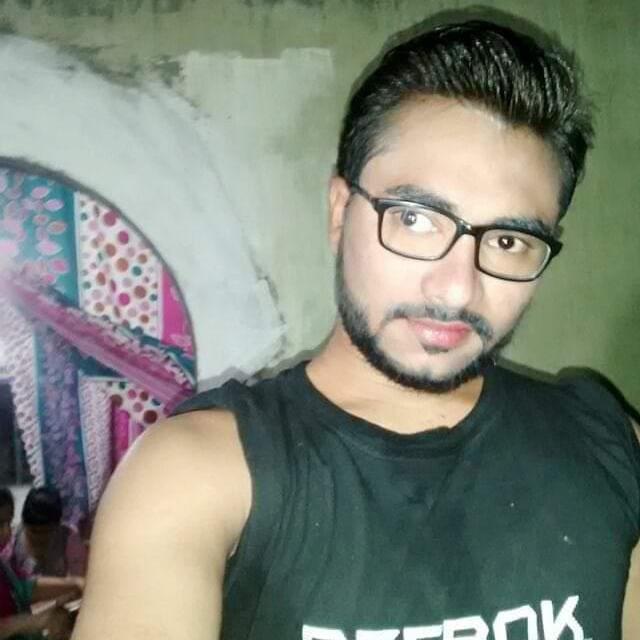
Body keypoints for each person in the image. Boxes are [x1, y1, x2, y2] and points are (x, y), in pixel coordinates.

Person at [72, 15, 640, 640]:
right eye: (416, 218)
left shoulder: (611, 445)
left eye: (508, 240)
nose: (456, 288)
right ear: (341, 213)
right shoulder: (197, 476)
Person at [1, 487, 83, 640]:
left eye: (9, 522)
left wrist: (75, 584)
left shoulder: (4, 568)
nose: (6, 532)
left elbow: (24, 588)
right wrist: (36, 620)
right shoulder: (12, 548)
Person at [13, 488, 86, 579]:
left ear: (57, 526)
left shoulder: (69, 538)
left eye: (45, 532)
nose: (39, 538)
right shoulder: (14, 539)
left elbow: (77, 581)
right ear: (24, 524)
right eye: (33, 531)